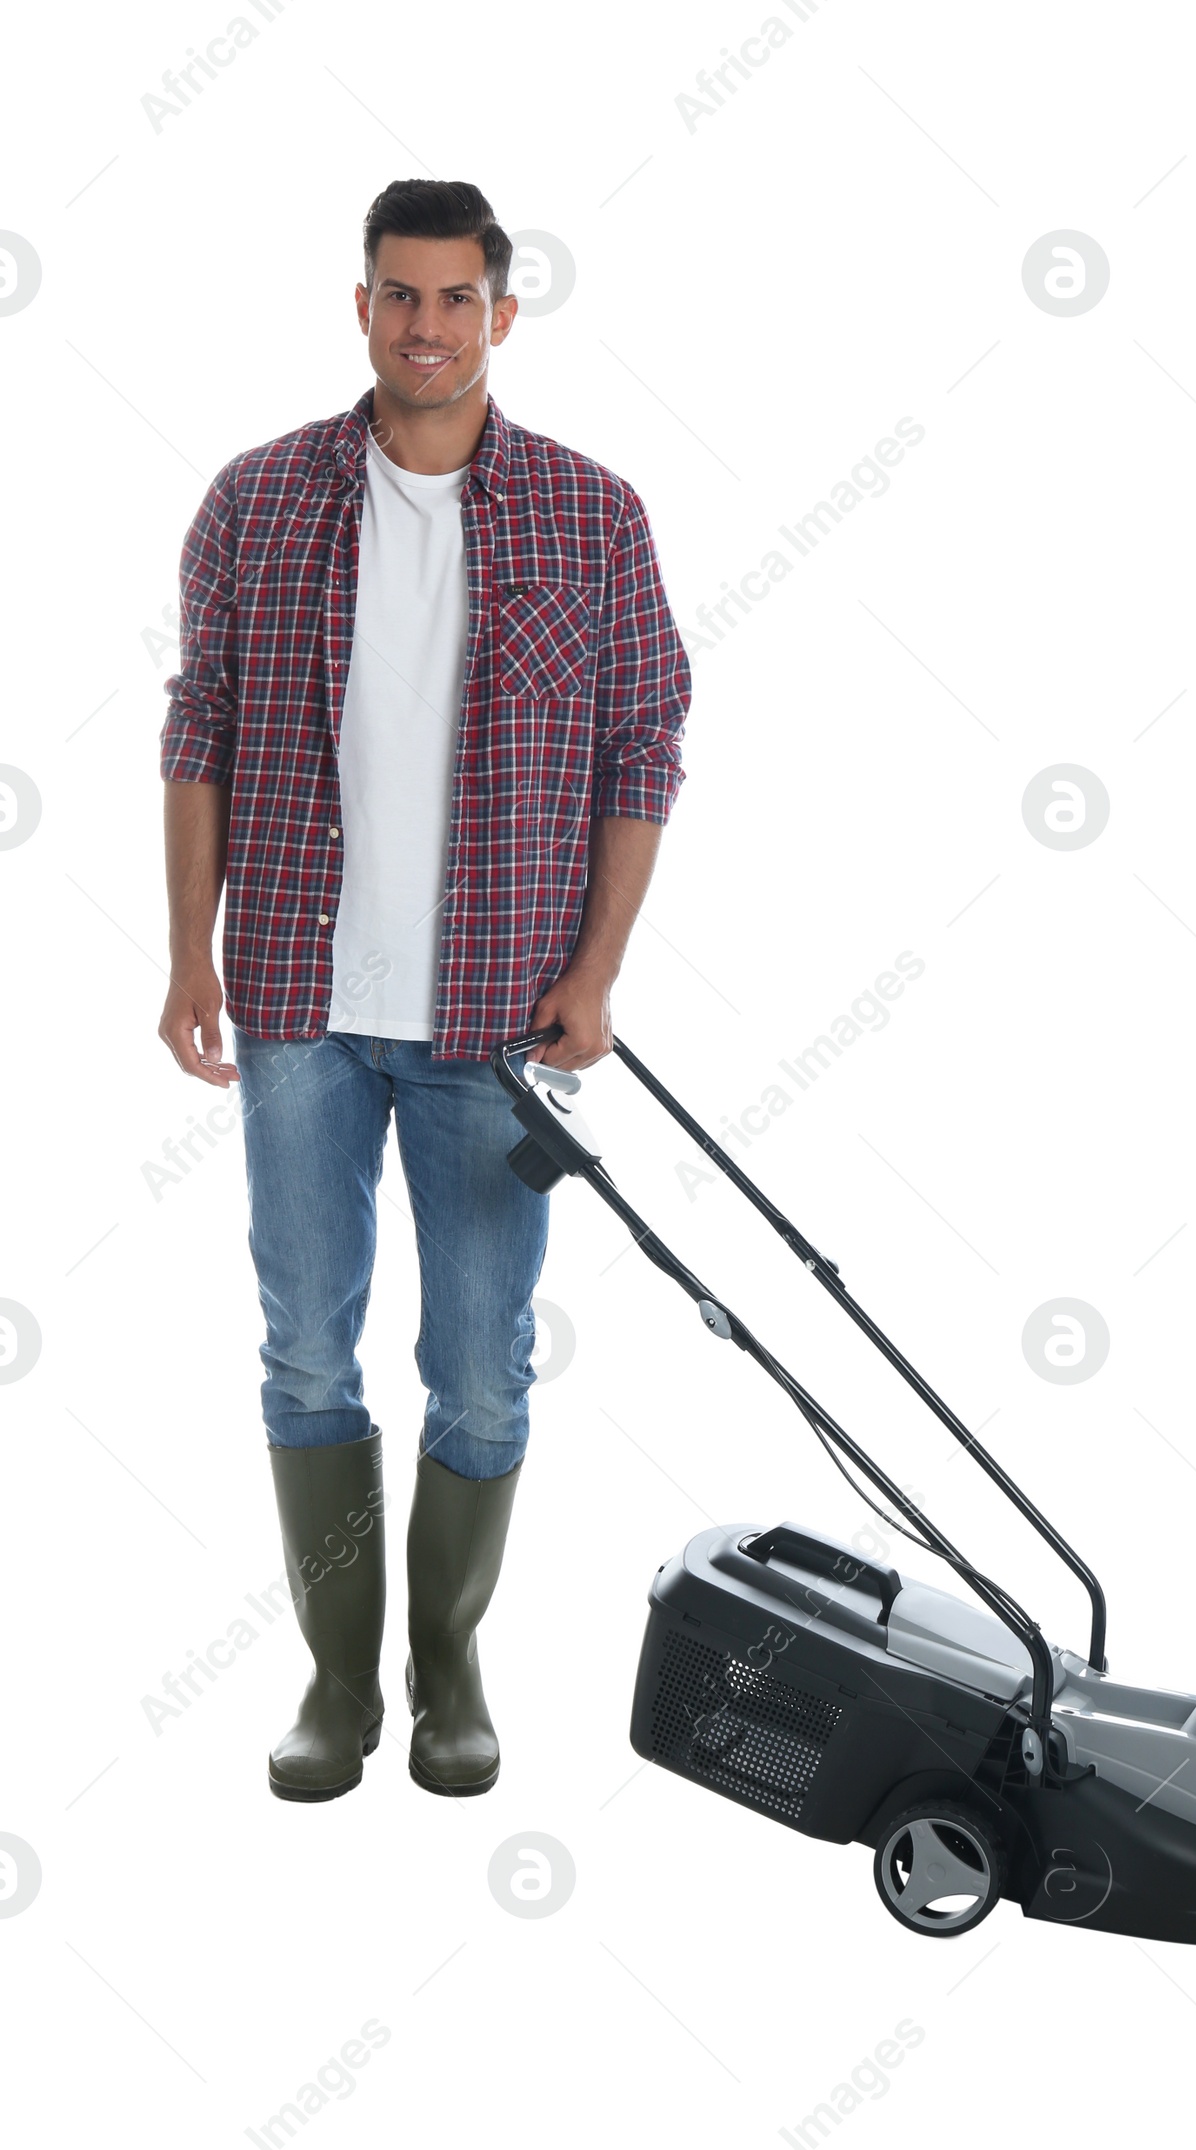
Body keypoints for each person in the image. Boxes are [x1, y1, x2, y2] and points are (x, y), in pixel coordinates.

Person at [156, 179, 690, 1802]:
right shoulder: (256, 503)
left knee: (479, 1360)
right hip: (303, 1006)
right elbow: (202, 734)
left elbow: (640, 746)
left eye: (459, 299)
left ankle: (447, 1667)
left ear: (503, 316)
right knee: (307, 1351)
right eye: (401, 295)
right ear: (363, 305)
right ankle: (338, 1683)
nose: (428, 326)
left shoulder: (591, 517)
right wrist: (190, 953)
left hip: (496, 1025)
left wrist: (597, 973)